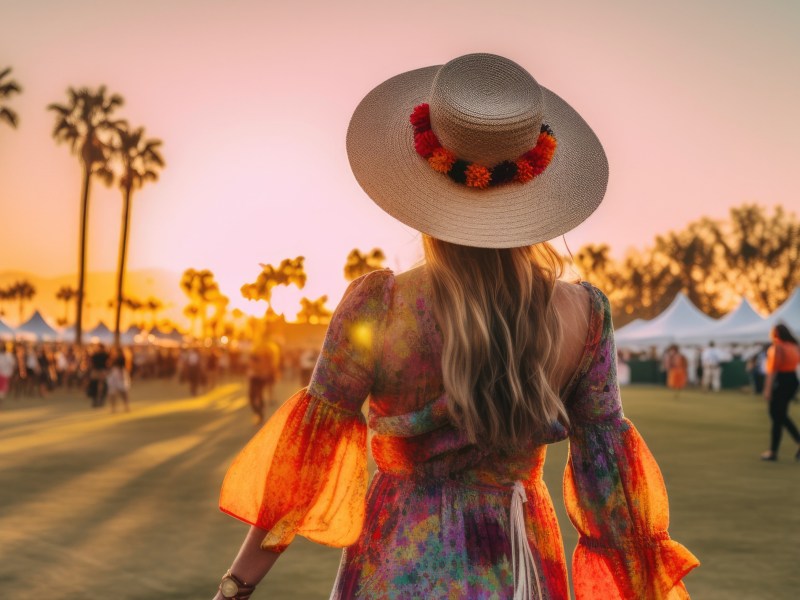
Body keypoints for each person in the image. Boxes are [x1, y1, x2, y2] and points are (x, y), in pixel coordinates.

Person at [212, 54, 698, 600]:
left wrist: (235, 588)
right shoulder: (583, 314)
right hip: (519, 566)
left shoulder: (380, 305)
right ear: (535, 184)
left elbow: (303, 470)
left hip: (398, 565)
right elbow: (613, 497)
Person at [760, 324, 800, 461]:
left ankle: (773, 451)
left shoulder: (777, 348)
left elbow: (772, 371)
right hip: (793, 380)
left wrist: (767, 390)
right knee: (781, 415)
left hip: (781, 381)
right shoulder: (794, 346)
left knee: (777, 416)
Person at [106, 347, 131, 413]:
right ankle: (114, 408)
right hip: (114, 374)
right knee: (113, 392)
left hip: (120, 373)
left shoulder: (122, 358)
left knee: (123, 391)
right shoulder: (113, 358)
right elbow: (109, 365)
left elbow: (123, 366)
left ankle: (126, 406)